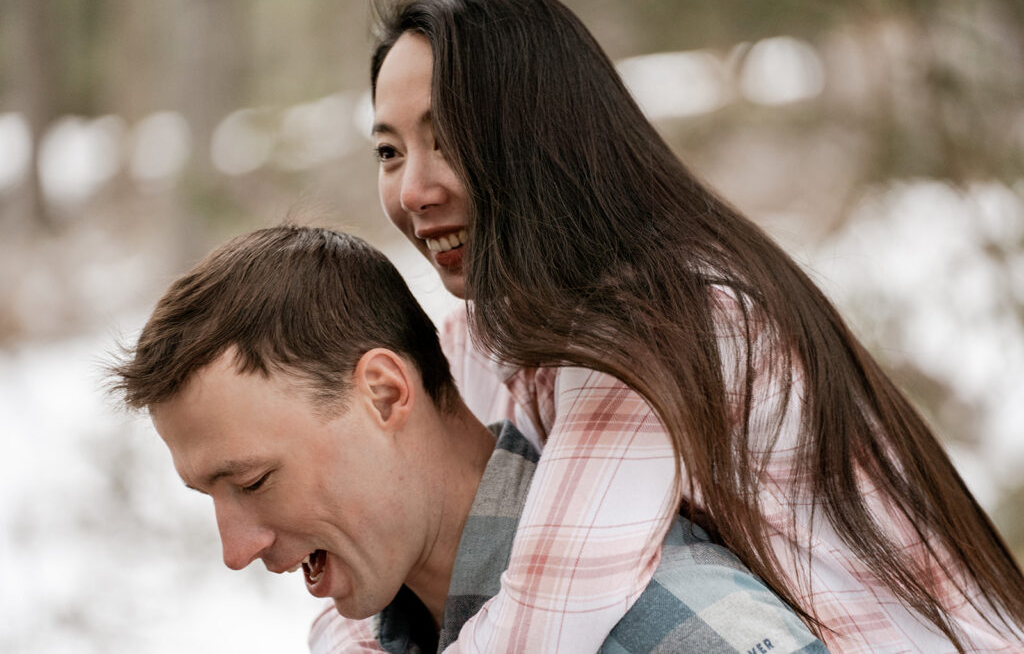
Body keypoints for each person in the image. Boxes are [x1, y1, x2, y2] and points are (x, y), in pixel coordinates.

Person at [346, 0, 1024, 652]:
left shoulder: (661, 322)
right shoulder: (482, 338)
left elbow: (541, 625)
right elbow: (361, 551)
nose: (413, 190)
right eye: (389, 152)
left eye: (449, 140)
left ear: (540, 136)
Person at [109, 225, 826, 654]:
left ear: (385, 392)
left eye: (256, 480)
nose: (236, 549)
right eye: (211, 494)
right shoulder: (391, 630)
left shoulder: (671, 629)